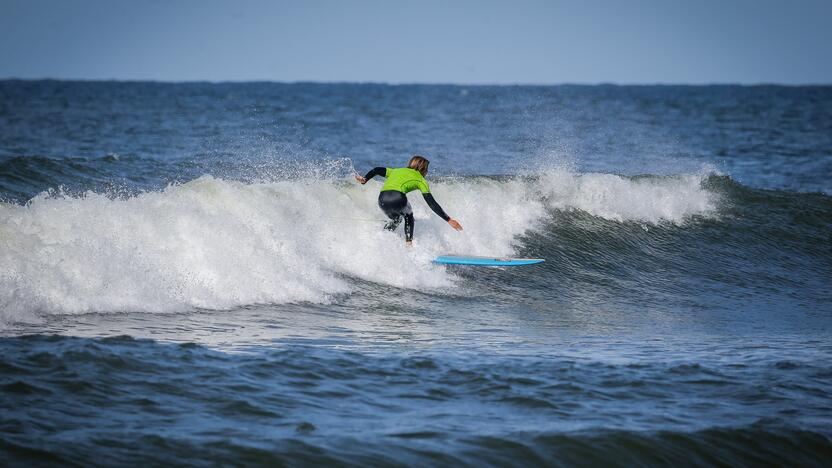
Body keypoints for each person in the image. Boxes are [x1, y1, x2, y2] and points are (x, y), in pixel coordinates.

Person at [355, 155, 463, 246]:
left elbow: (377, 170)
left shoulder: (396, 171)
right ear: (422, 169)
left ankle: (381, 238)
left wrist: (365, 179)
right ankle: (408, 244)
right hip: (398, 197)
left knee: (396, 220)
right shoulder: (421, 180)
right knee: (408, 214)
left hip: (382, 199)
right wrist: (448, 220)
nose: (427, 172)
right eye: (426, 169)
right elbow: (432, 203)